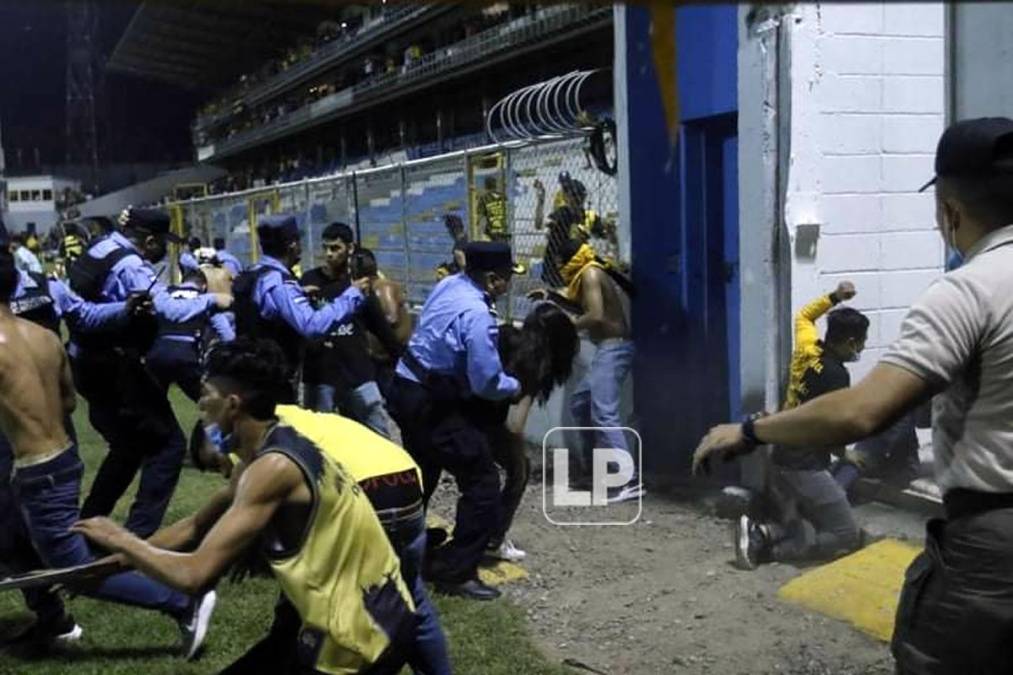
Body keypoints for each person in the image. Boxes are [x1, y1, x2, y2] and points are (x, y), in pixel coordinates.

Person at [692, 117, 1013, 674]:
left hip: (994, 544)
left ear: (949, 210)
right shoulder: (820, 355)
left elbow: (862, 412)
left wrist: (747, 430)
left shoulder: (969, 291)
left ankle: (768, 537)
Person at [74, 339, 416, 675]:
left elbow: (195, 575)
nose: (201, 410)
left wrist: (120, 539)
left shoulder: (274, 468)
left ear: (233, 404)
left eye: (205, 399)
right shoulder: (269, 445)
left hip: (357, 637)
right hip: (356, 611)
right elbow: (196, 526)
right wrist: (113, 564)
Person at [0, 251, 217, 659]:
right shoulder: (44, 337)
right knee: (20, 541)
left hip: (37, 470)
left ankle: (182, 600)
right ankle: (51, 619)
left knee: (78, 573)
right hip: (62, 458)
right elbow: (66, 403)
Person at [191, 403, 453, 675]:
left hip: (365, 489)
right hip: (404, 478)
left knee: (319, 595)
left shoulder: (247, 442)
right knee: (410, 598)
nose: (221, 471)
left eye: (213, 463)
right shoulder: (284, 414)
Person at [67, 207, 232, 537]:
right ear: (150, 240)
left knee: (128, 447)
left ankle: (86, 528)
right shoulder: (130, 264)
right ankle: (137, 539)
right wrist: (216, 300)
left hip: (86, 362)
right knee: (169, 446)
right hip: (112, 367)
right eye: (162, 245)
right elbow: (169, 309)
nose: (162, 252)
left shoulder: (101, 247)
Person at [387, 241, 526, 600]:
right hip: (430, 399)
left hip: (405, 385)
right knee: (482, 482)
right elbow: (487, 381)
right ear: (494, 279)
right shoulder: (478, 317)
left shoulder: (451, 284)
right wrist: (514, 386)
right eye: (508, 276)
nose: (509, 282)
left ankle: (401, 546)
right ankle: (456, 571)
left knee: (424, 469)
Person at [733, 282, 869, 567]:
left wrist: (834, 297)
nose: (863, 348)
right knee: (845, 535)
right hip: (803, 464)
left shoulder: (807, 349)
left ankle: (766, 532)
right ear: (850, 342)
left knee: (818, 516)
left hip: (781, 452)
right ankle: (764, 544)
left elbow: (804, 317)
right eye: (862, 342)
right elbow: (831, 427)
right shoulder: (837, 376)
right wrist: (847, 455)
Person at [529, 237, 640, 502]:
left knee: (604, 413)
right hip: (608, 348)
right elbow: (586, 309)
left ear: (568, 259)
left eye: (558, 263)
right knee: (580, 405)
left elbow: (596, 315)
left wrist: (566, 328)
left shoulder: (589, 273)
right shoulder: (586, 273)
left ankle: (629, 480)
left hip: (615, 348)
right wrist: (553, 297)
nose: (558, 268)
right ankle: (594, 470)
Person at [232, 213, 369, 399]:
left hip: (247, 373)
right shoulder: (279, 283)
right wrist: (351, 295)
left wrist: (299, 294)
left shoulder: (253, 274)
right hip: (271, 382)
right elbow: (312, 326)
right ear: (292, 245)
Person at [300, 223, 402, 437]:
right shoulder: (309, 282)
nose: (329, 254)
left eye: (335, 248)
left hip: (357, 374)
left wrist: (404, 362)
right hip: (320, 376)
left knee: (379, 436)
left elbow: (382, 329)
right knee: (318, 440)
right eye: (325, 248)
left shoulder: (358, 286)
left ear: (350, 248)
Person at [147, 267, 236, 402]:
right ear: (204, 285)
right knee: (208, 400)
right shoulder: (206, 300)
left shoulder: (164, 294)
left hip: (157, 353)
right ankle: (208, 422)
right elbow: (227, 334)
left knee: (154, 404)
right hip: (186, 354)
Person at [354, 248, 412, 399]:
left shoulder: (383, 287)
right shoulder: (369, 290)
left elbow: (391, 318)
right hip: (379, 361)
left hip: (391, 361)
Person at [476, 176, 508, 242]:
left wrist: (477, 225)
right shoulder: (503, 197)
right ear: (495, 185)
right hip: (504, 231)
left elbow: (480, 217)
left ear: (485, 186)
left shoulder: (484, 198)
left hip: (491, 233)